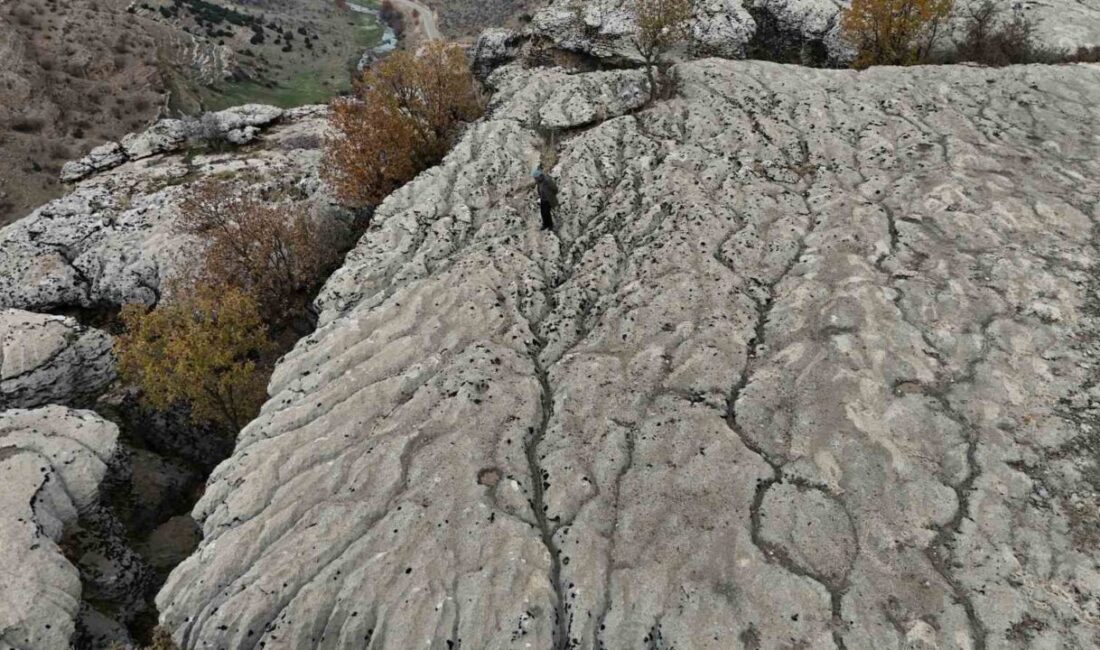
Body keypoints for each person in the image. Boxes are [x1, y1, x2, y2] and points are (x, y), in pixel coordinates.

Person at [532, 166, 558, 231]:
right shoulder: (539, 181)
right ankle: (545, 224)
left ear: (539, 176)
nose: (535, 179)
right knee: (543, 212)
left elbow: (555, 189)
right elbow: (539, 189)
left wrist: (551, 195)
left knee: (547, 212)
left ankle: (550, 225)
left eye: (536, 178)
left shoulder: (547, 180)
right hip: (543, 199)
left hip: (548, 199)